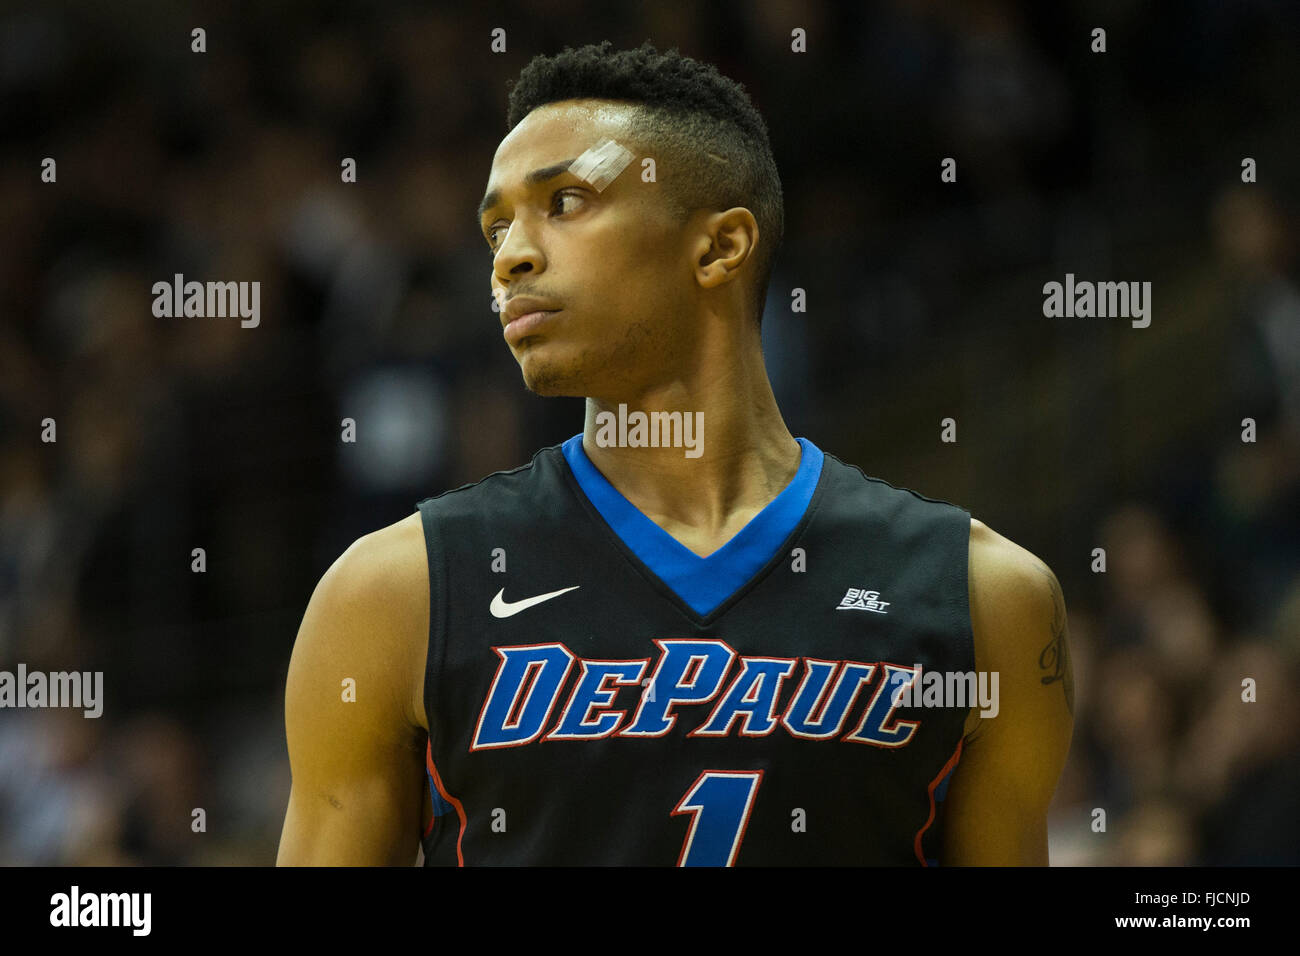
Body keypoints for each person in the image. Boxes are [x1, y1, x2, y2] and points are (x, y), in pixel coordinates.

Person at [276, 41, 1073, 866]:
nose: (510, 254)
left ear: (719, 247)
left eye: (567, 201)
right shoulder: (393, 595)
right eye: (496, 225)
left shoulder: (983, 598)